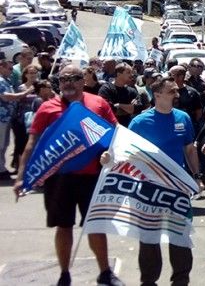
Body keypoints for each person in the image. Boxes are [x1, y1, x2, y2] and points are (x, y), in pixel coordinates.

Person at [13, 65, 123, 286]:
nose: (69, 83)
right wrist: (21, 176)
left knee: (95, 225)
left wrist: (111, 156)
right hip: (59, 179)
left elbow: (115, 133)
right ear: (59, 83)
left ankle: (105, 272)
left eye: (74, 78)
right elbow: (32, 143)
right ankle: (64, 274)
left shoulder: (98, 104)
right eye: (64, 79)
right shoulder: (47, 108)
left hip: (92, 176)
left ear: (83, 81)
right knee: (63, 226)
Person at [122, 76, 200, 286]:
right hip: (148, 189)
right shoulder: (139, 122)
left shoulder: (183, 118)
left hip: (177, 189)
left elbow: (189, 149)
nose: (177, 94)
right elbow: (128, 154)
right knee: (149, 237)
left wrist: (197, 176)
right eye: (171, 91)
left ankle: (181, 280)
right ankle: (149, 281)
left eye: (176, 90)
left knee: (180, 236)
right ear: (157, 95)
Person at [98, 62, 139, 126]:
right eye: (128, 72)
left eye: (131, 72)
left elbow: (137, 109)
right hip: (111, 128)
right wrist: (129, 109)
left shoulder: (132, 91)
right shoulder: (106, 89)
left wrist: (120, 105)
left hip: (127, 129)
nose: (131, 75)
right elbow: (109, 111)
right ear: (119, 74)